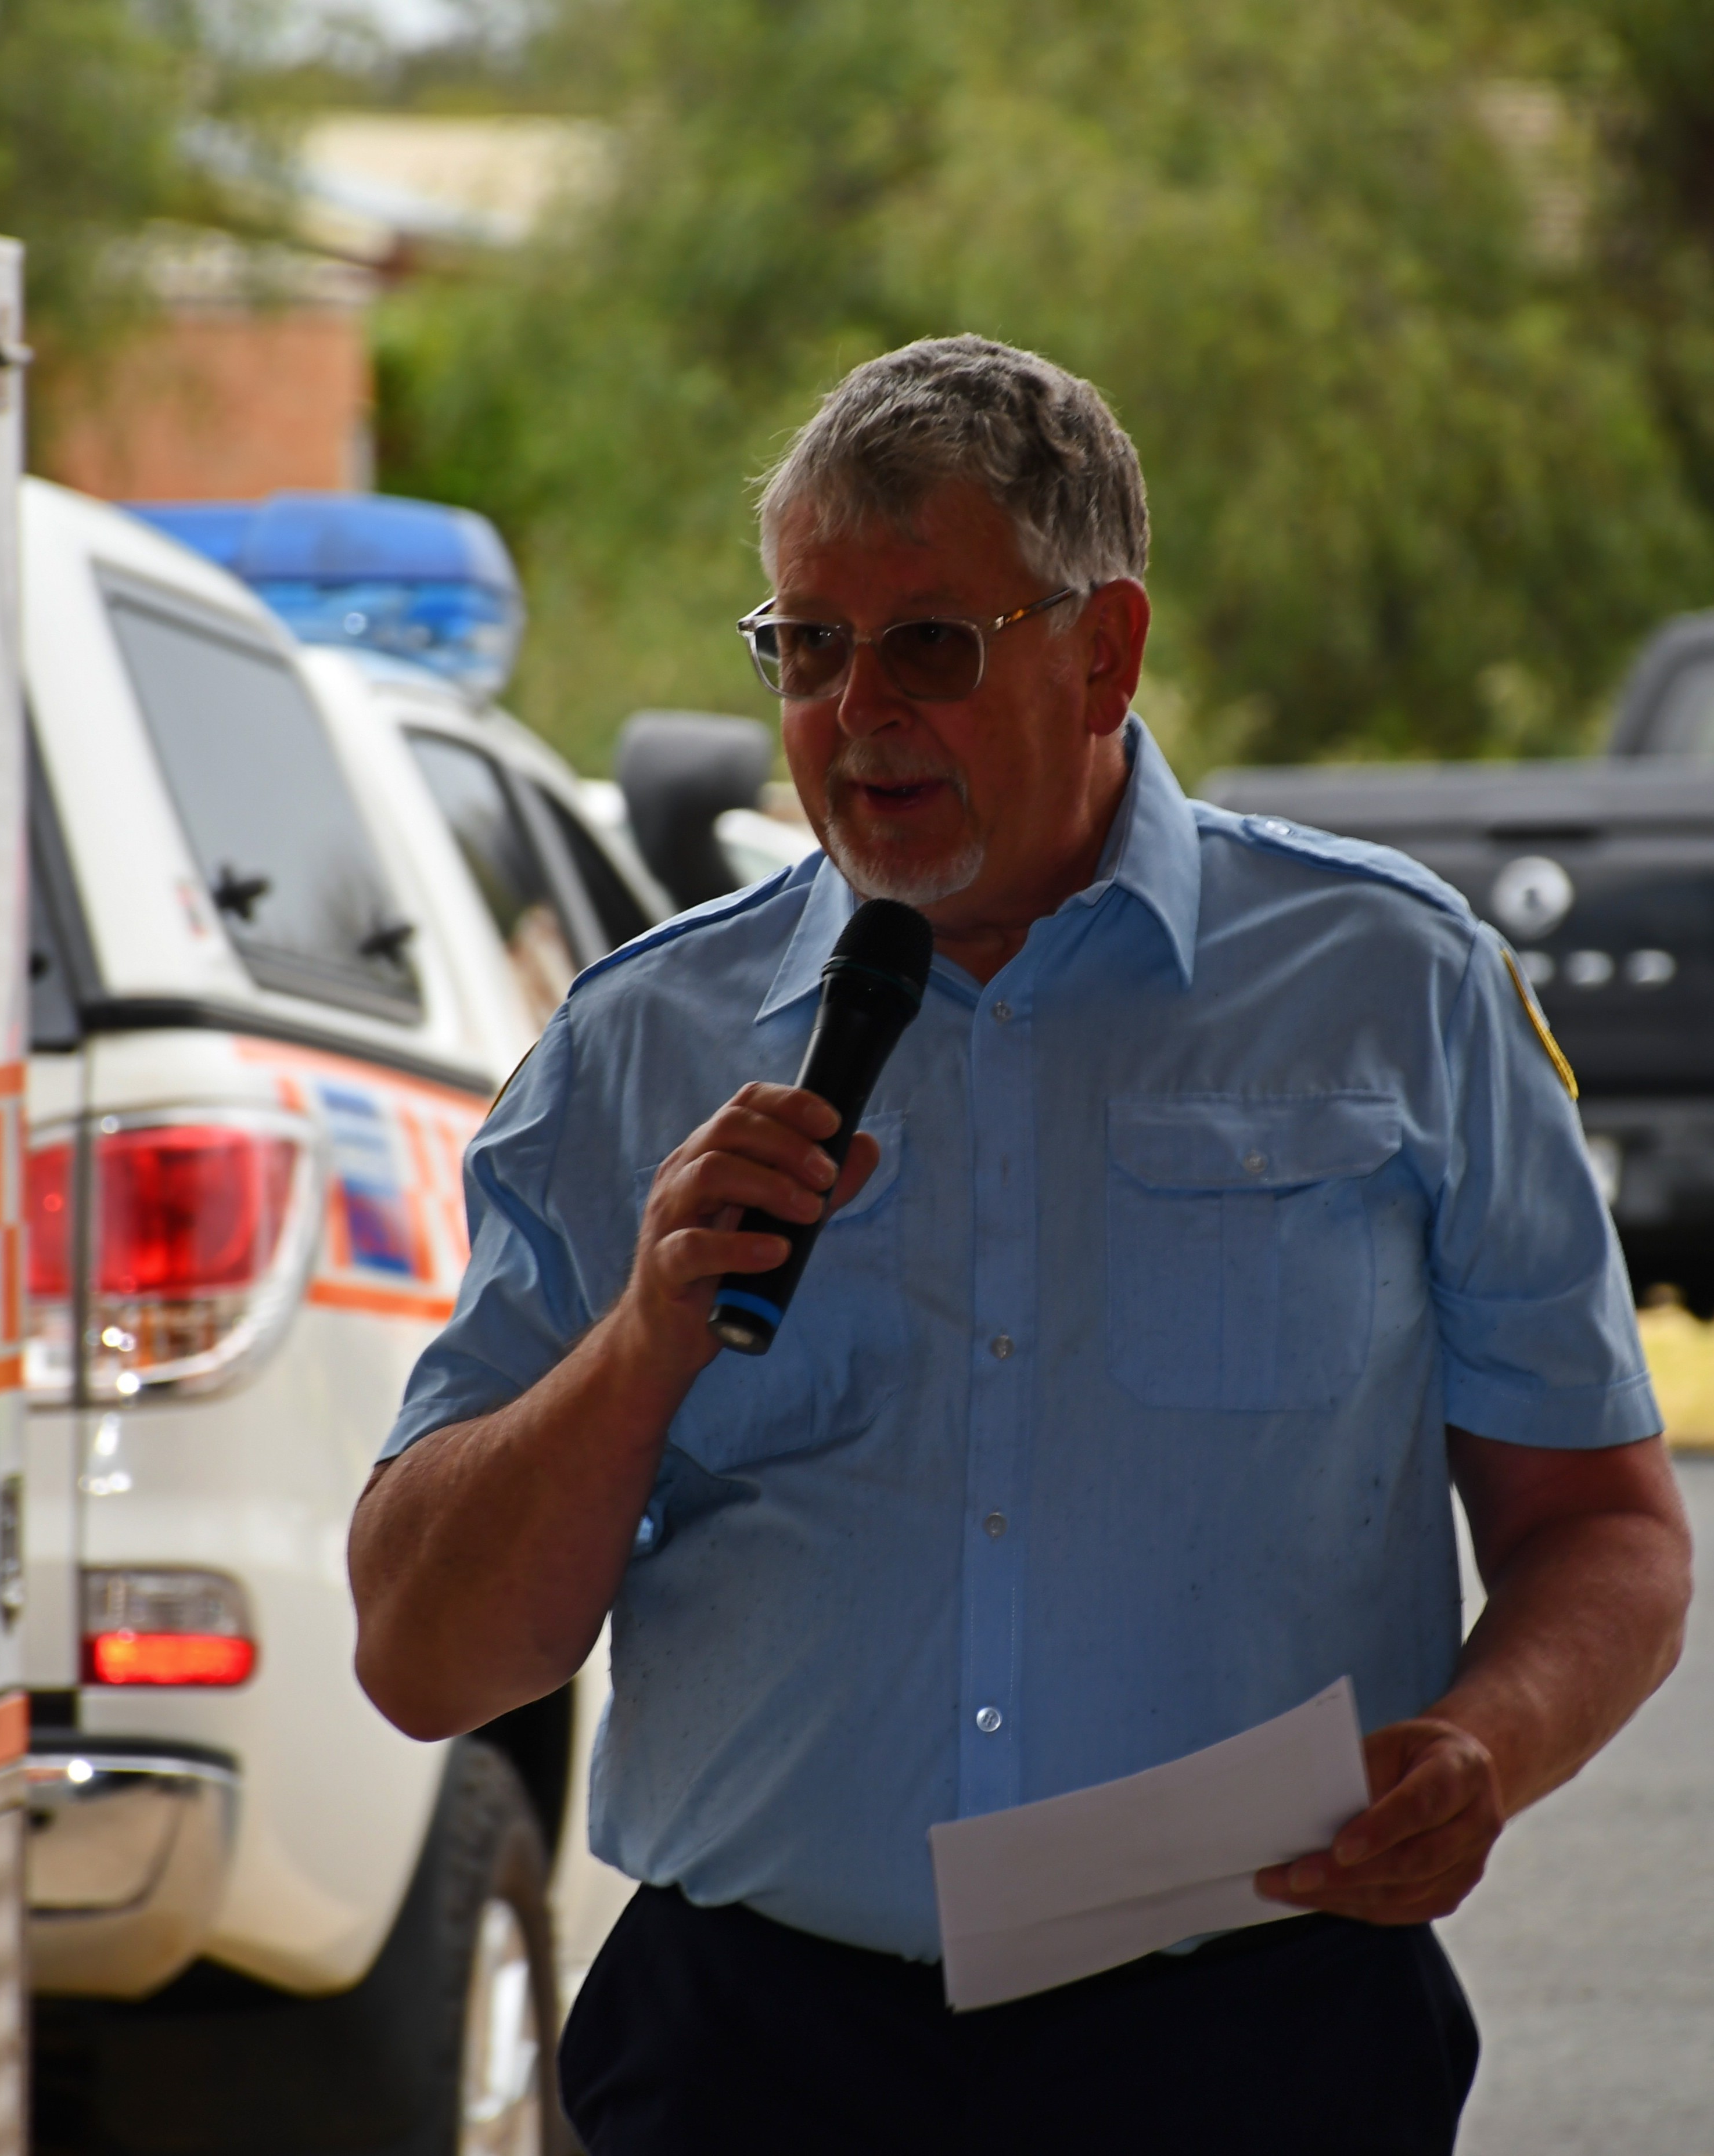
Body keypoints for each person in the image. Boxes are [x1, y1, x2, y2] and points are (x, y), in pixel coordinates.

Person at [348, 335, 1693, 2153]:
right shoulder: (641, 1044)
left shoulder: (1393, 989)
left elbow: (1602, 1528)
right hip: (757, 2056)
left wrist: (1488, 1749)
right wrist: (643, 1339)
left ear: (1105, 652)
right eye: (804, 647)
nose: (855, 710)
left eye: (928, 646)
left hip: (1256, 2047)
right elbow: (427, 1659)